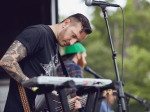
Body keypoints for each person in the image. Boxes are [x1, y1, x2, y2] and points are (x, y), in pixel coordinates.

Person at [0, 13, 92, 112]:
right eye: (73, 35)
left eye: (76, 41)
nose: (71, 43)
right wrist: (34, 86)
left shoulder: (55, 46)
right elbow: (6, 61)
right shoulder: (38, 33)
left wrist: (67, 104)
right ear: (66, 23)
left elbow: (47, 96)